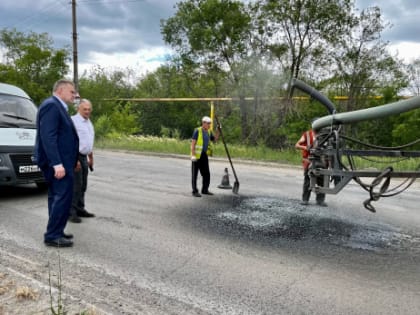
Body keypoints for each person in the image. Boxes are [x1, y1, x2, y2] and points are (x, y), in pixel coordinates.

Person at [35, 79, 79, 247]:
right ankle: (53, 235)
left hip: (63, 161)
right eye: (72, 92)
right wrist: (57, 164)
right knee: (62, 197)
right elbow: (48, 136)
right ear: (60, 90)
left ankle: (56, 230)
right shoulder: (52, 105)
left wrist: (73, 160)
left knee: (57, 197)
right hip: (58, 163)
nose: (74, 95)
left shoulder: (58, 105)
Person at [69, 99, 96, 223]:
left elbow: (88, 141)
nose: (87, 111)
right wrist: (75, 160)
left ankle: (80, 209)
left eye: (89, 109)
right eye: (84, 109)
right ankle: (71, 212)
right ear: (78, 109)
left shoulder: (88, 122)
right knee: (76, 186)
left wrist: (91, 157)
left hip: (84, 157)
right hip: (76, 157)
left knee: (83, 185)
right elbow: (69, 142)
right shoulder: (73, 121)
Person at [295, 127, 327, 206]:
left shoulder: (325, 135)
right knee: (308, 180)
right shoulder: (307, 135)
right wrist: (306, 147)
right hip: (309, 161)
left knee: (322, 181)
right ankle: (305, 199)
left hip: (321, 162)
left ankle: (320, 200)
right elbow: (297, 145)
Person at [191, 116, 220, 197]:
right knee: (195, 174)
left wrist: (218, 131)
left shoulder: (209, 132)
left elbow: (215, 140)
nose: (209, 125)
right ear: (203, 123)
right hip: (196, 156)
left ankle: (205, 189)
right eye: (208, 123)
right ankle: (195, 191)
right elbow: (193, 143)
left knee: (206, 173)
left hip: (204, 155)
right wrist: (193, 155)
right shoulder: (197, 131)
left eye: (210, 124)